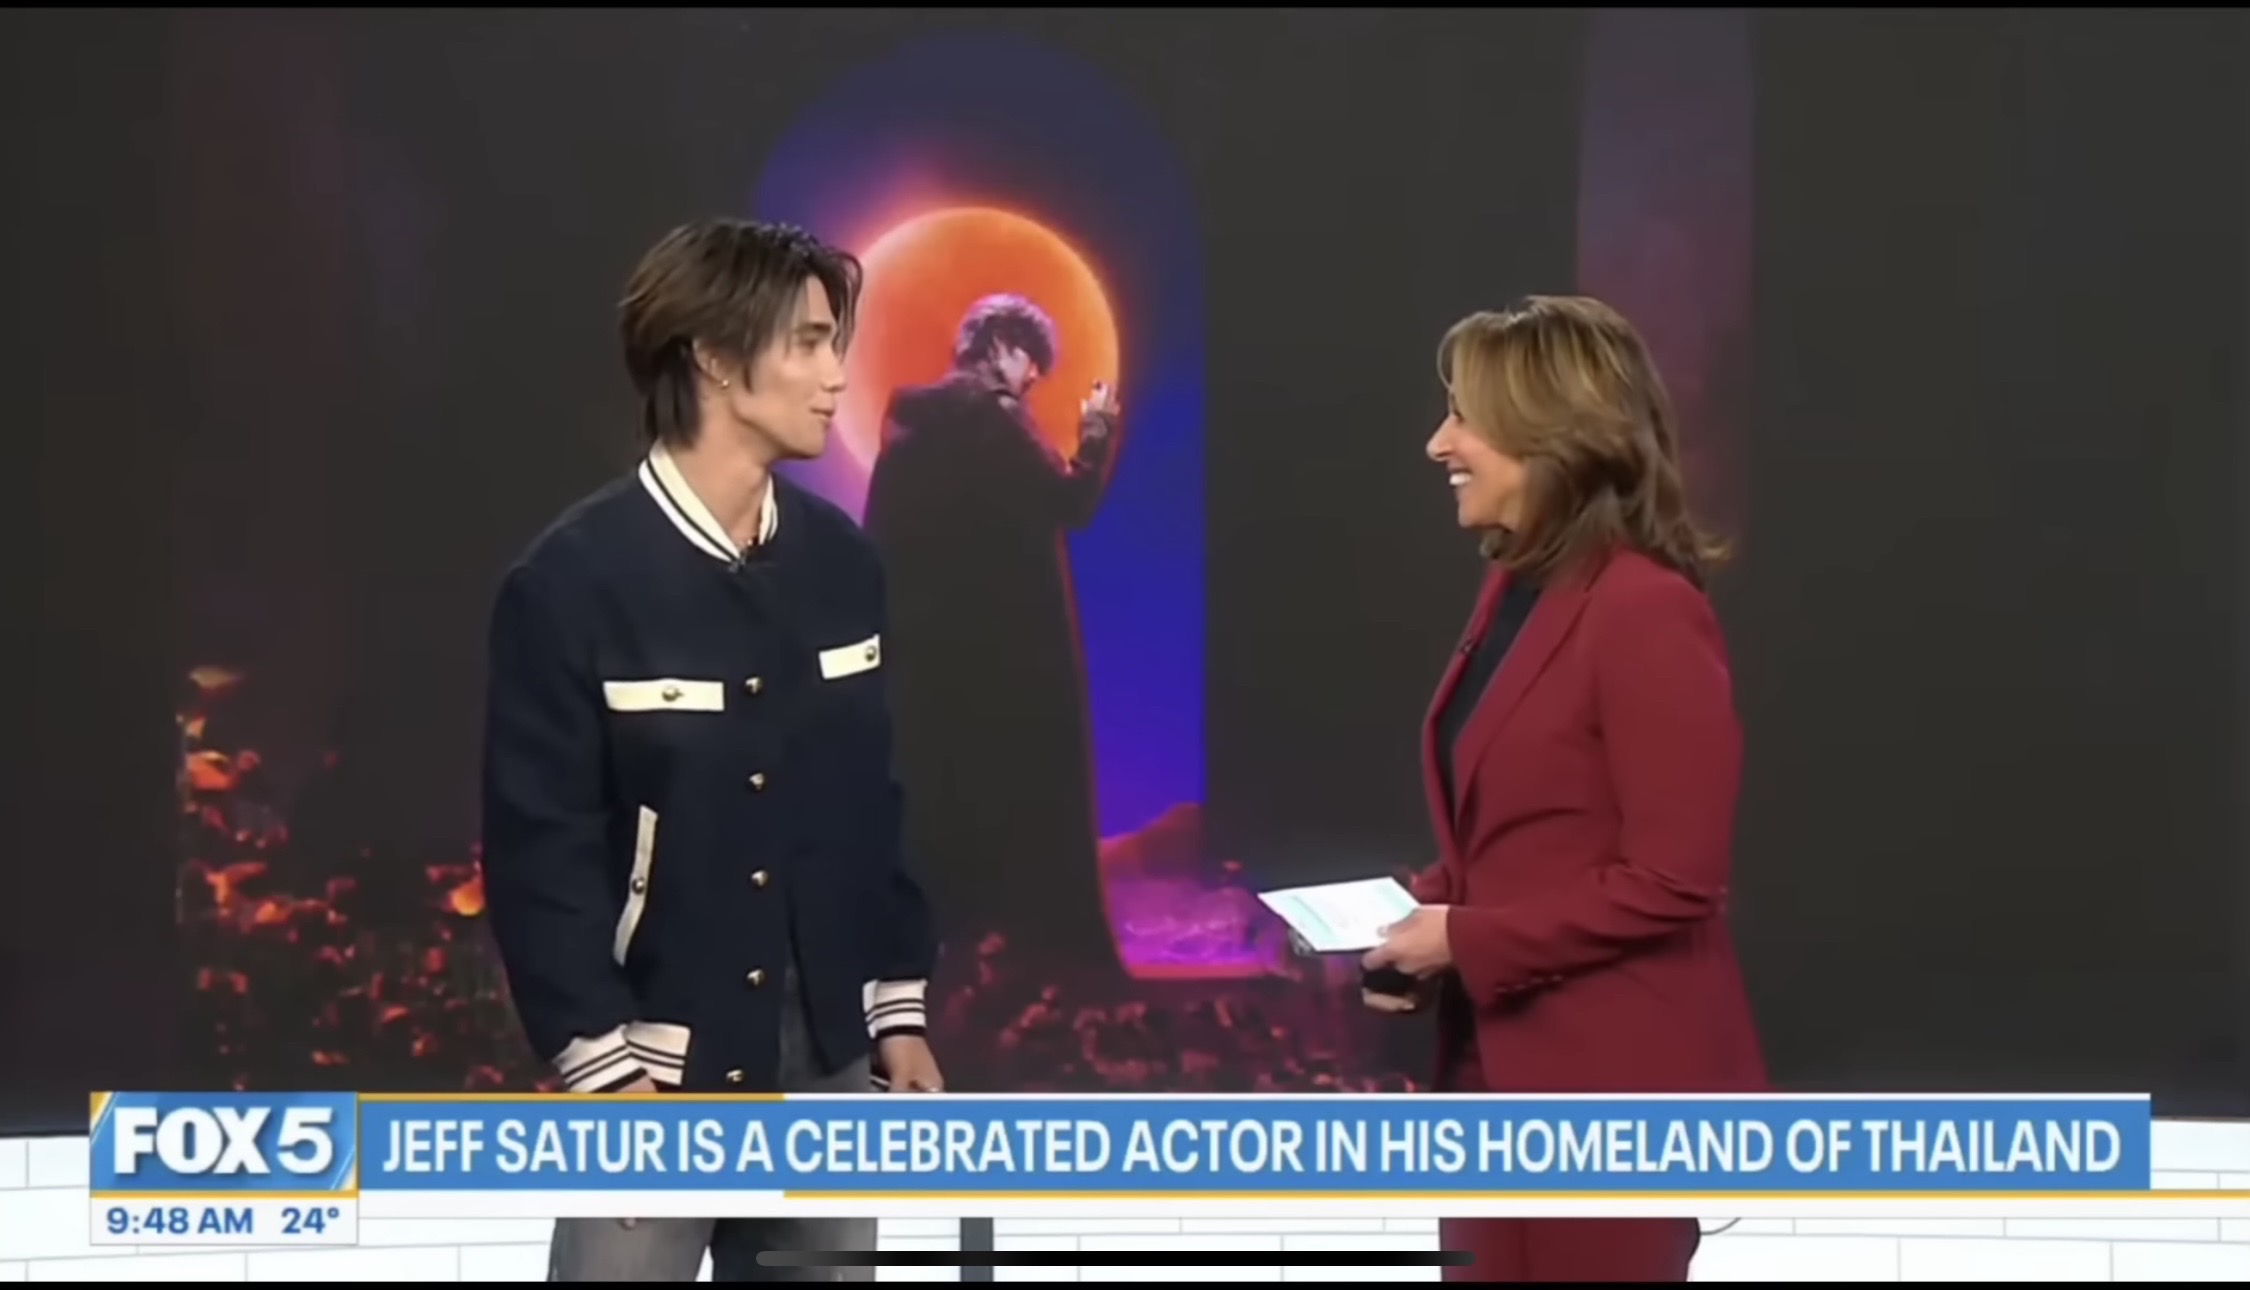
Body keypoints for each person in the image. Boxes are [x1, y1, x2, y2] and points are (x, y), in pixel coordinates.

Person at [477, 217, 943, 1282]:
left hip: (829, 1067)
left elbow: (869, 806)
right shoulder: (571, 584)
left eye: (836, 344)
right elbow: (540, 851)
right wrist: (605, 1069)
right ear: (716, 359)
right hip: (649, 1072)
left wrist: (896, 1012)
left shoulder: (843, 566)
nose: (837, 376)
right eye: (810, 344)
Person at [1360, 296, 1767, 1283]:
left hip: (1607, 1096)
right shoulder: (1516, 590)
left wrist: (1465, 940)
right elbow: (1528, 832)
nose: (1437, 444)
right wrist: (1424, 918)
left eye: (1464, 417)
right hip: (1489, 1081)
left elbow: (1674, 880)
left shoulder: (1644, 610)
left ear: (1551, 436)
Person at [859, 294, 1126, 981]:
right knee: (1015, 799)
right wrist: (1096, 432)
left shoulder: (909, 417)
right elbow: (1069, 502)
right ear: (1001, 344)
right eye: (1031, 360)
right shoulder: (994, 415)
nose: (1032, 377)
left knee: (937, 801)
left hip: (925, 657)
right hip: (1007, 658)